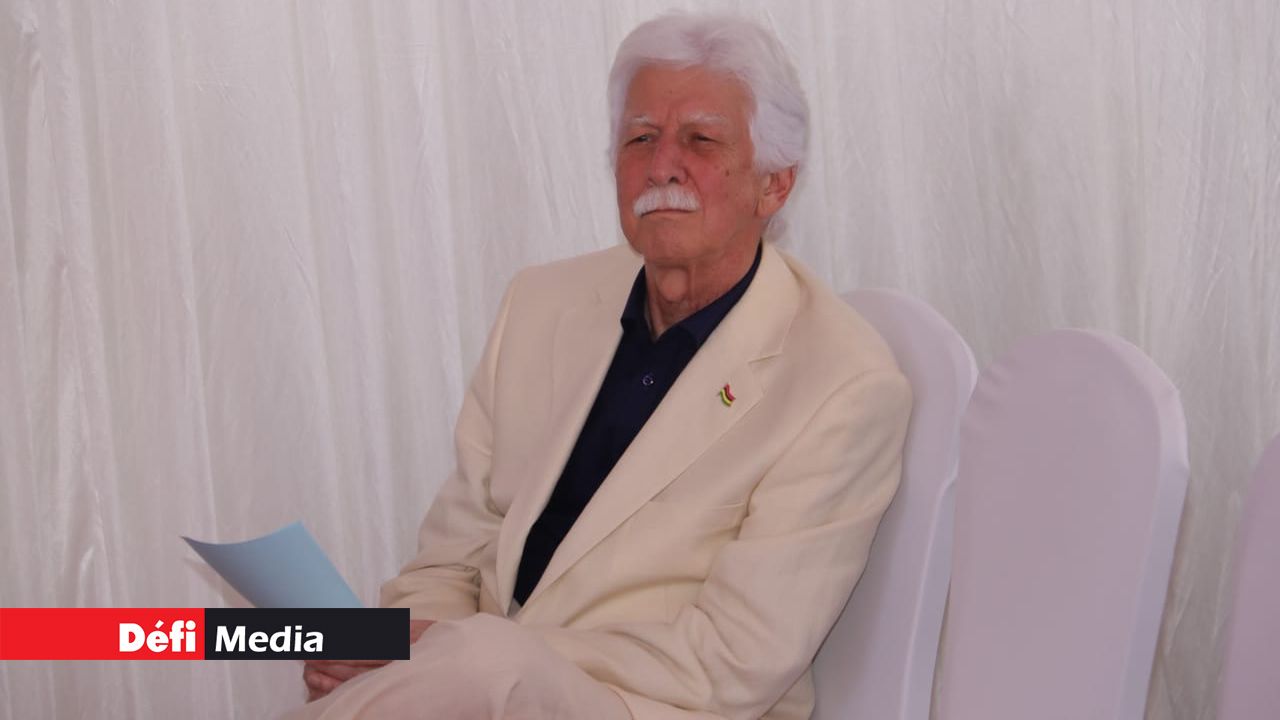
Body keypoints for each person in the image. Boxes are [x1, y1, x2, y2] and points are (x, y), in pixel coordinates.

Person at [290, 12, 911, 720]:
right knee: (314, 638)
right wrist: (386, 650)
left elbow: (734, 660)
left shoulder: (843, 385)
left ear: (775, 184)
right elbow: (451, 558)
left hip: (650, 707)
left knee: (480, 664)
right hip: (469, 685)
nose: (662, 164)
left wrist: (465, 655)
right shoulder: (539, 305)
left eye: (700, 140)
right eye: (640, 138)